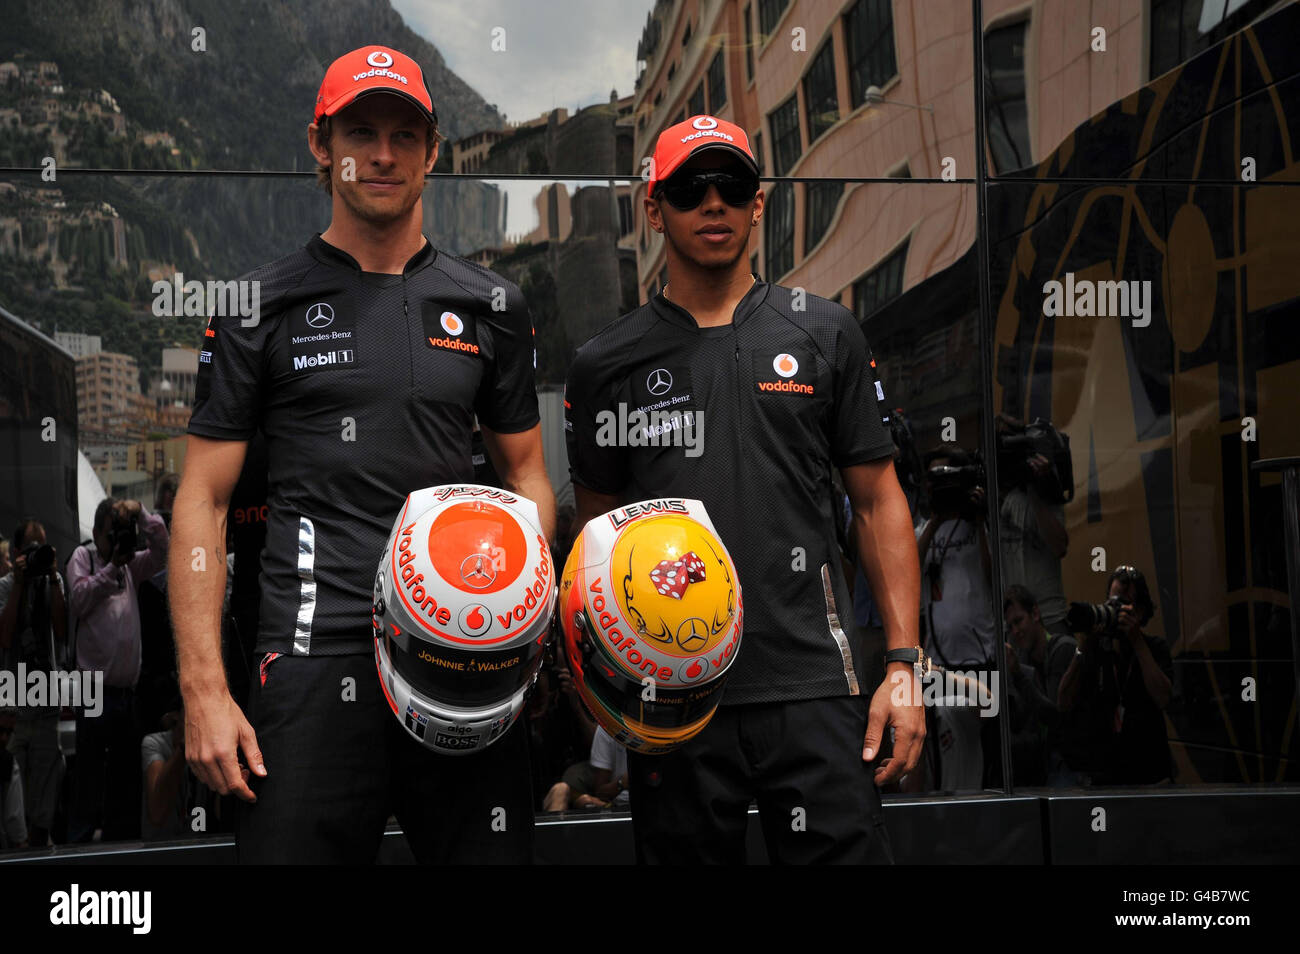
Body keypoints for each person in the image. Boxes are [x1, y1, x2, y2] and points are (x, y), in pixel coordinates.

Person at [170, 45, 555, 865]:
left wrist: (515, 618)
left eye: (403, 135)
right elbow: (200, 500)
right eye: (361, 132)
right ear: (321, 144)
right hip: (310, 666)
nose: (382, 154)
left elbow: (526, 476)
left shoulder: (490, 305)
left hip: (465, 659)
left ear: (432, 151)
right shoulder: (257, 308)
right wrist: (204, 690)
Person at [564, 114, 923, 864]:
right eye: (691, 188)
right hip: (671, 699)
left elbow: (880, 501)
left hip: (813, 686)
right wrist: (605, 694)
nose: (714, 202)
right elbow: (596, 545)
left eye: (733, 185)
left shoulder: (824, 335)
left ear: (759, 203)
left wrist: (902, 665)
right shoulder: (606, 366)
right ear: (653, 209)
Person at [66, 498, 169, 842]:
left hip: (127, 691)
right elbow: (79, 599)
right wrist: (111, 567)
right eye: (113, 533)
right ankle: (78, 845)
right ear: (96, 533)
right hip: (92, 688)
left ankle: (118, 843)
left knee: (124, 778)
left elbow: (163, 550)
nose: (119, 540)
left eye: (124, 532)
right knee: (89, 774)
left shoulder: (130, 566)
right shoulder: (85, 558)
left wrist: (140, 512)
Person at [1058, 565, 1174, 784]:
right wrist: (1083, 646)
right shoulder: (1097, 651)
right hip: (1107, 779)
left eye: (1121, 603)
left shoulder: (1154, 648)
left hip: (1150, 776)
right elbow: (1063, 701)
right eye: (1111, 602)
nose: (1114, 609)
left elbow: (1163, 698)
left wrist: (1137, 641)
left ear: (1139, 612)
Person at [0, 518, 68, 848]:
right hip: (13, 707)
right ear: (17, 553)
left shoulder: (53, 581)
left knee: (44, 798)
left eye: (43, 548)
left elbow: (61, 629)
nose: (38, 555)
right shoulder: (5, 584)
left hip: (45, 707)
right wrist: (18, 582)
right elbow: (5, 635)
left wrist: (53, 576)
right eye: (31, 549)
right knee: (13, 799)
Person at [1002, 584, 1080, 786]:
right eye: (1010, 627)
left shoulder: (1063, 649)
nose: (1016, 631)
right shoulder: (1025, 661)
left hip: (1073, 765)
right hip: (1048, 765)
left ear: (1035, 613)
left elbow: (1053, 715)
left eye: (1019, 621)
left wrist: (1018, 675)